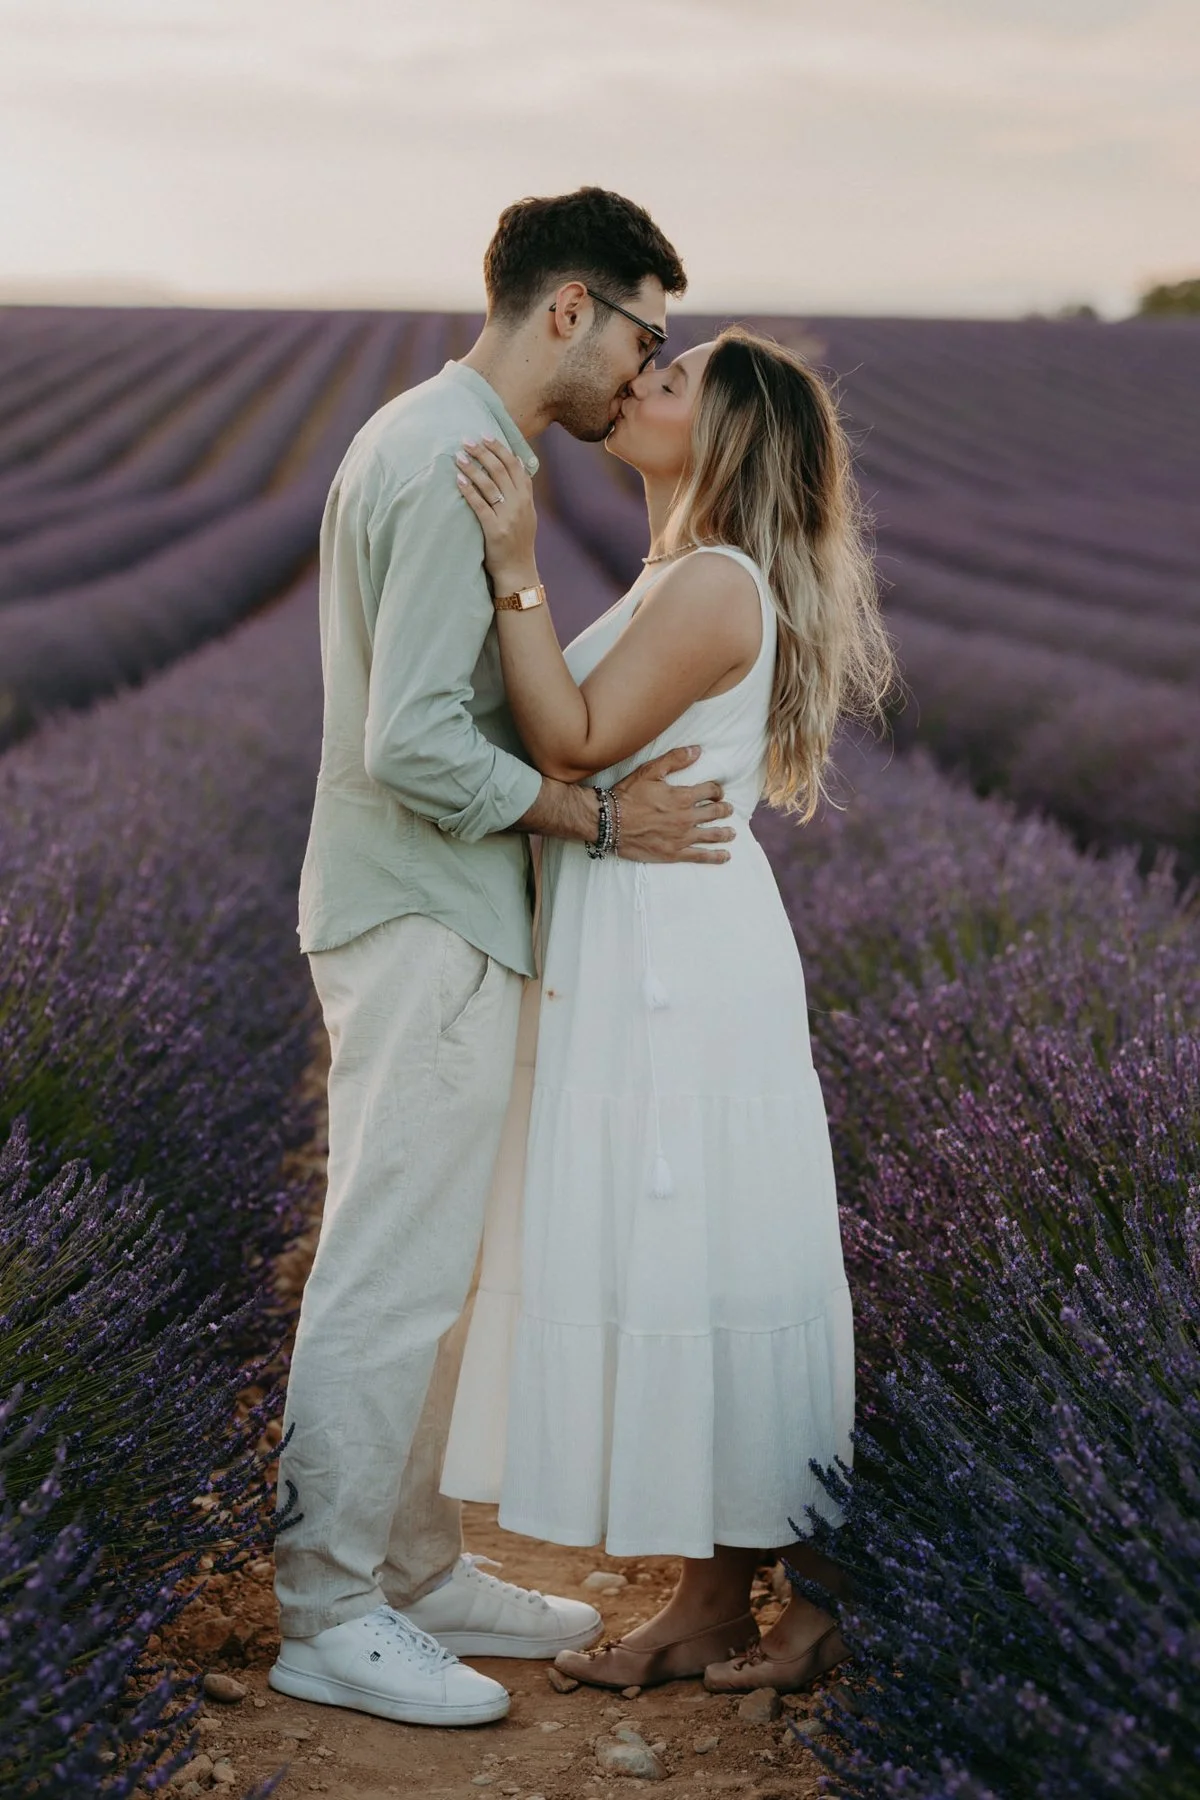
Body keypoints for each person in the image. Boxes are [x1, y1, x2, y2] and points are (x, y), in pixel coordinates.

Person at [271, 188, 740, 1729]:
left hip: (440, 909)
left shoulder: (468, 448)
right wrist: (586, 814)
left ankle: (411, 1569)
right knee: (387, 1279)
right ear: (568, 310)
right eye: (643, 333)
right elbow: (408, 740)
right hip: (417, 906)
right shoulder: (441, 457)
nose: (644, 367)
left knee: (437, 1283)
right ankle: (329, 1612)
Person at [441, 324, 897, 1693]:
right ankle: (710, 1605)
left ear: (731, 436)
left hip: (677, 960)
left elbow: (570, 740)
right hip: (646, 935)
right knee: (688, 1250)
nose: (643, 379)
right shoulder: (675, 572)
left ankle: (807, 1603)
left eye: (675, 377)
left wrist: (516, 568)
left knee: (710, 1246)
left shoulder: (711, 583)